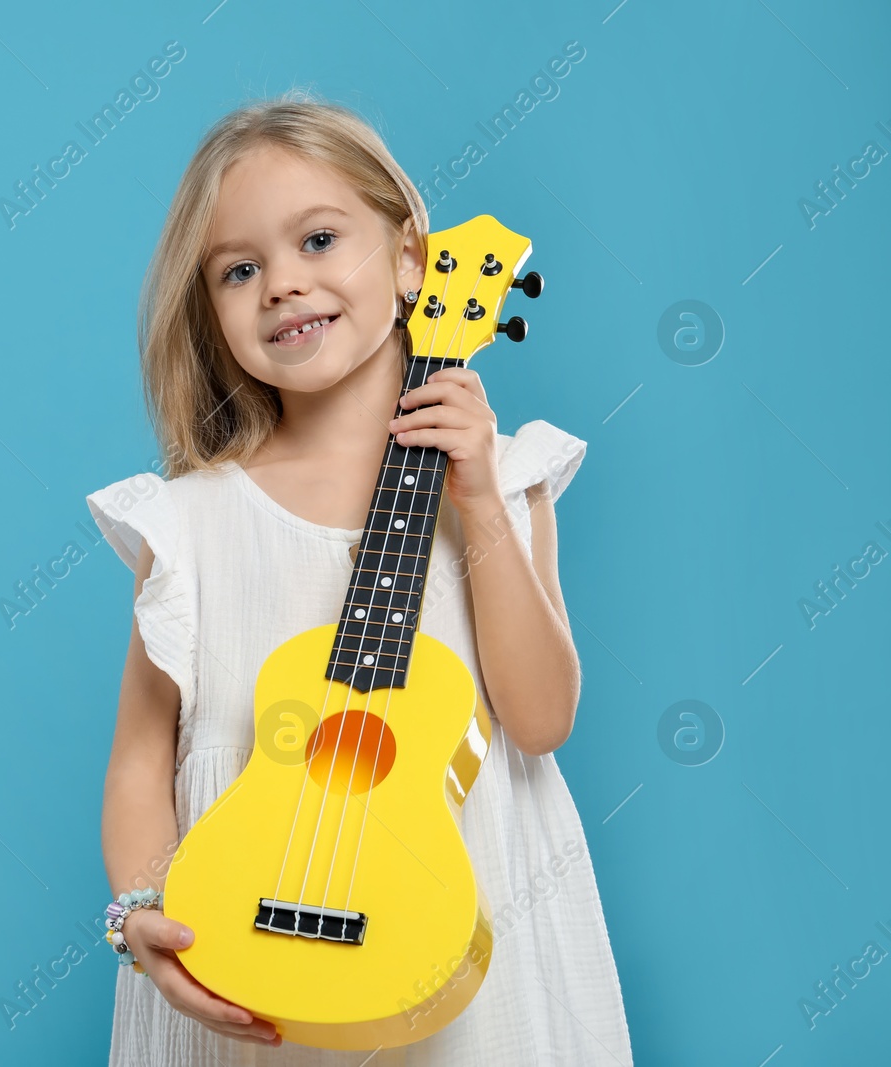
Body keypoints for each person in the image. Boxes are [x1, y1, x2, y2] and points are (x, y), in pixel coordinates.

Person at [85, 93, 634, 1065]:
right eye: (239, 269)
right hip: (246, 965)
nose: (283, 285)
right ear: (209, 312)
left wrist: (478, 507)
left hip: (464, 973)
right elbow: (139, 758)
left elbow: (541, 718)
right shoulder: (192, 523)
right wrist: (139, 914)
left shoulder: (504, 485)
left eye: (320, 238)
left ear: (412, 259)